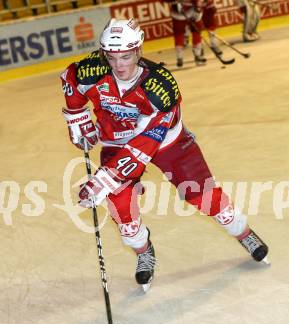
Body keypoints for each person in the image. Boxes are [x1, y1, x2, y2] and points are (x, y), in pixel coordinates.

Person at [61, 18, 269, 291]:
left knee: (204, 196)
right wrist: (76, 117)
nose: (119, 65)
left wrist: (107, 177)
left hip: (166, 142)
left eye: (125, 56)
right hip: (116, 142)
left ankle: (243, 232)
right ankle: (143, 251)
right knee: (122, 210)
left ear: (138, 51)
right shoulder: (92, 70)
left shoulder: (160, 86)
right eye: (111, 57)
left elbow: (145, 144)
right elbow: (70, 79)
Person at [163, 0, 207, 67]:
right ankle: (183, 57)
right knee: (181, 33)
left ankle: (195, 55)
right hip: (180, 14)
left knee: (195, 32)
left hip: (192, 12)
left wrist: (198, 8)